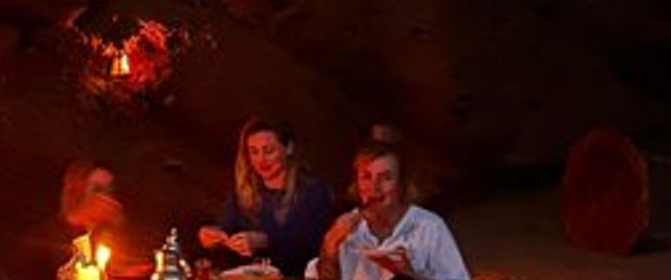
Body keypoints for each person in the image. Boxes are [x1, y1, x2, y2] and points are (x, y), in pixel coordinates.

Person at [197, 117, 337, 277]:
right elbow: (226, 230)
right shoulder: (243, 192)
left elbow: (311, 244)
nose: (261, 160)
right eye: (254, 152)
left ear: (288, 148)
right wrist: (213, 236)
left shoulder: (313, 192)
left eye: (268, 151)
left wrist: (265, 241)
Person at [315, 140, 470, 280]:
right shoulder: (346, 228)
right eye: (366, 177)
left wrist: (411, 275)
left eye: (386, 178)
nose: (374, 188)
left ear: (400, 184)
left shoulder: (429, 227)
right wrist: (330, 246)